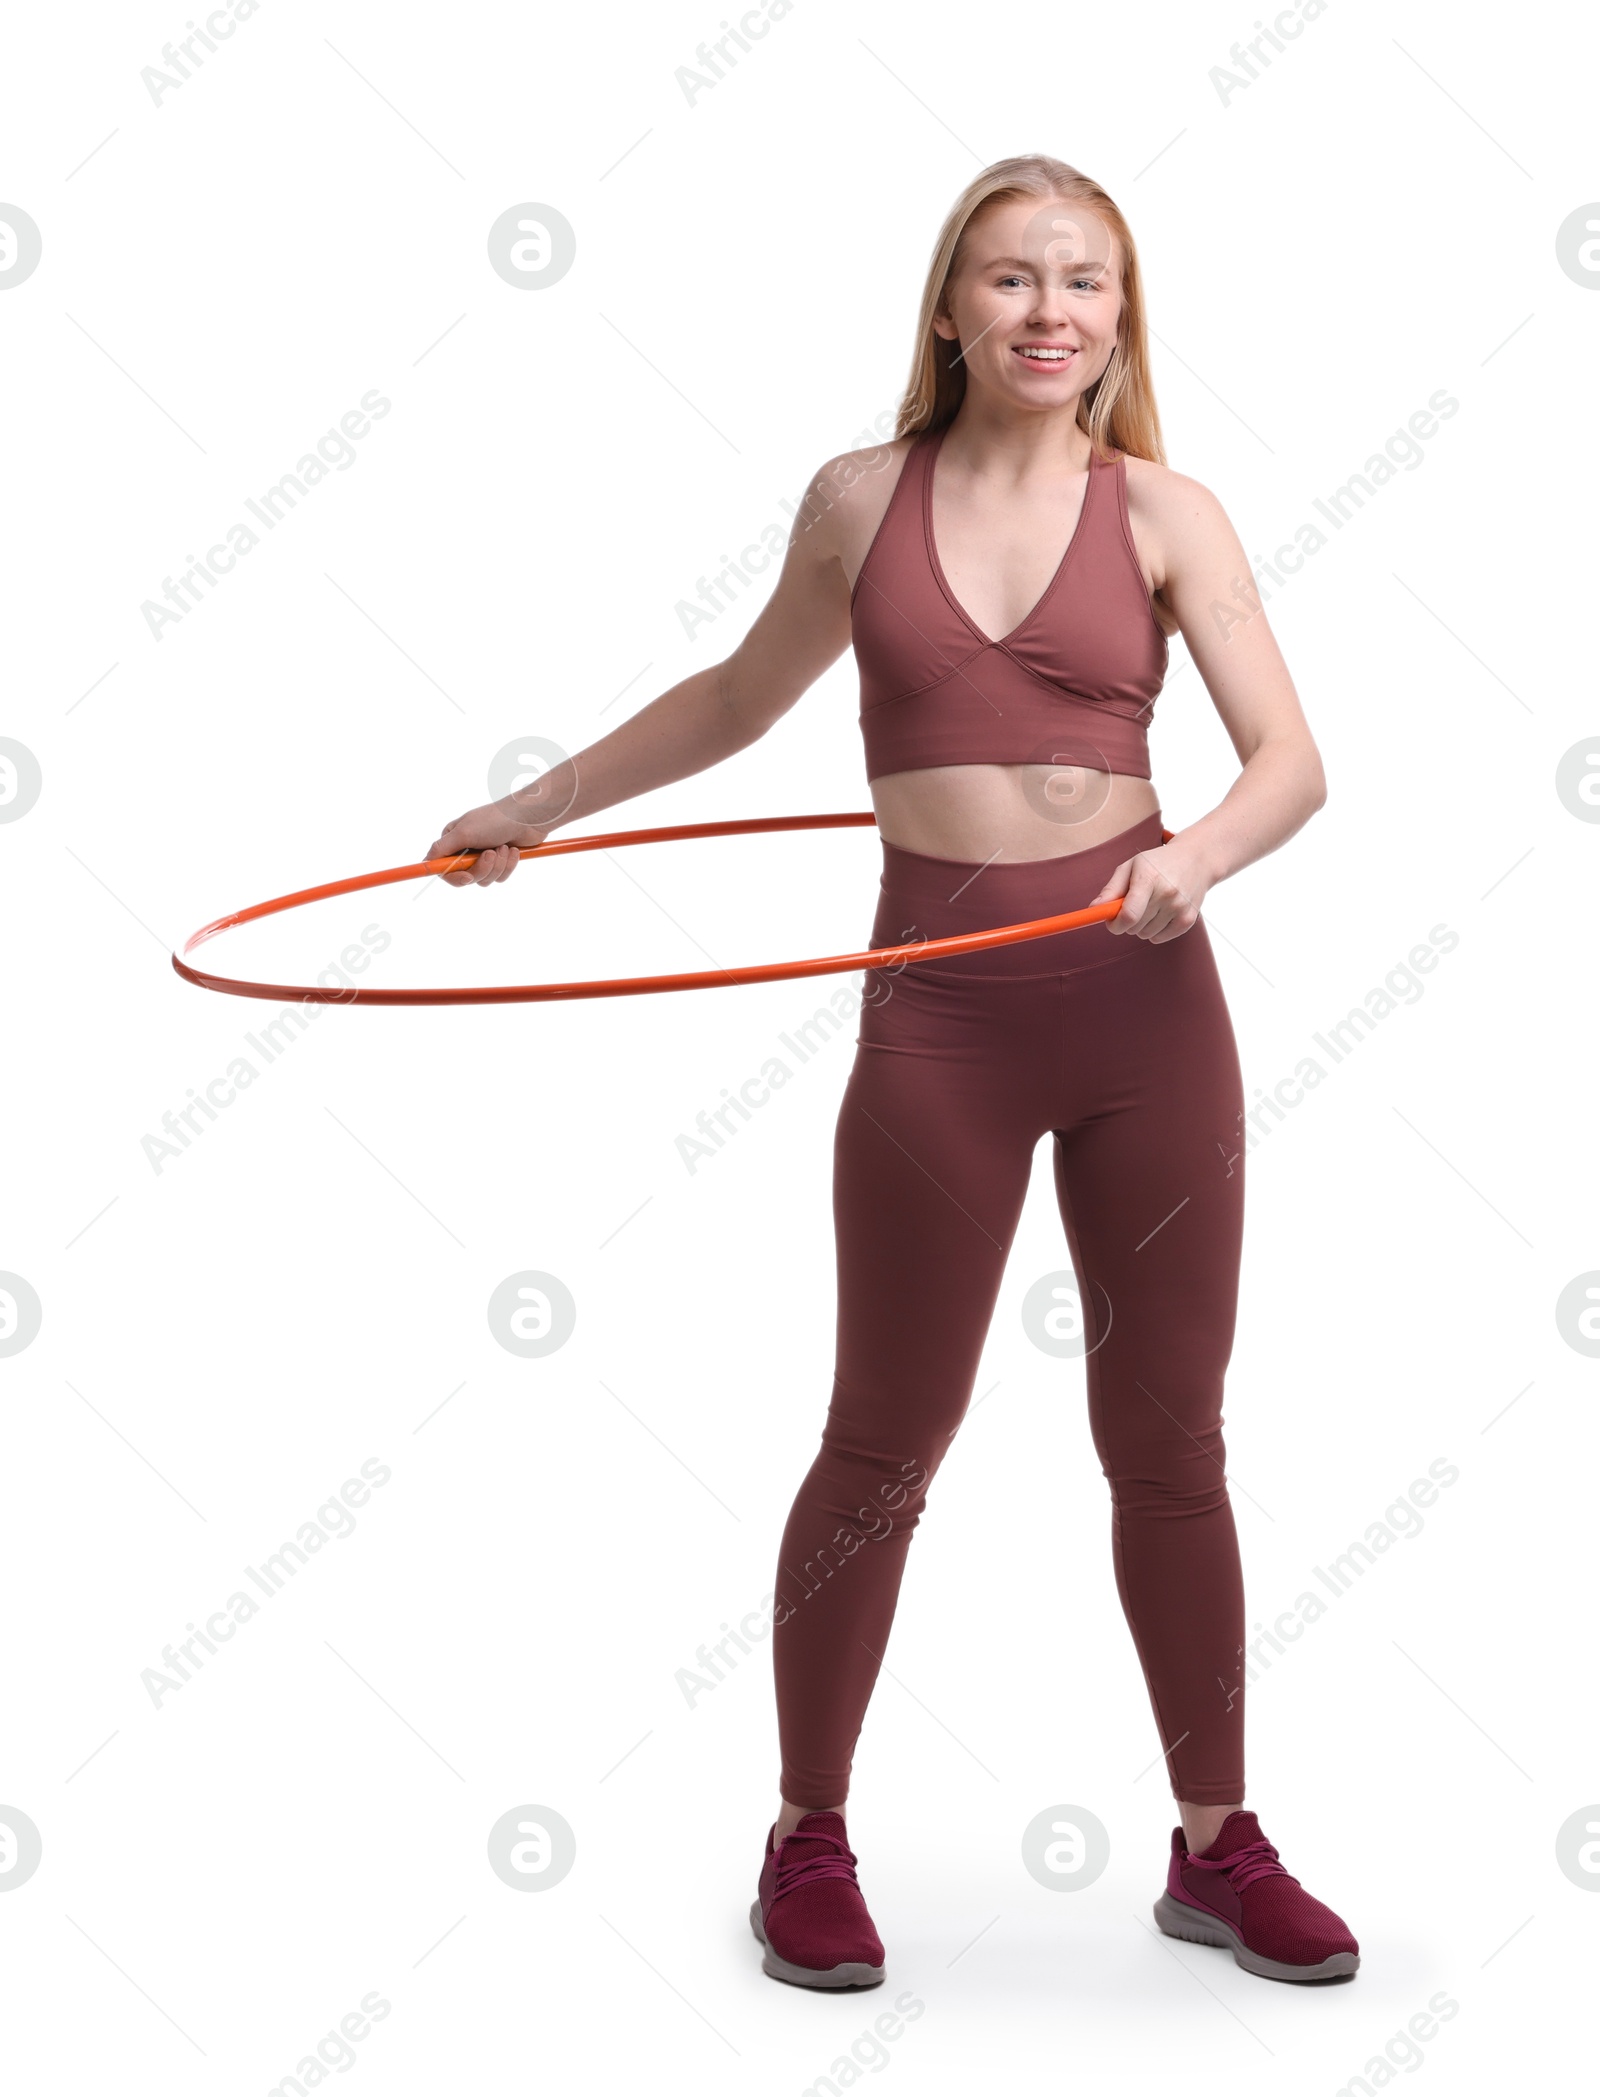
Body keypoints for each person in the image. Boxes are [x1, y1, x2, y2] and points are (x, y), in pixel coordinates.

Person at [426, 153, 1360, 1993]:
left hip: (1145, 1009)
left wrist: (1189, 862)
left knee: (1170, 1440)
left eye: (1083, 282)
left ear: (1121, 316)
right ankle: (808, 1835)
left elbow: (1292, 761)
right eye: (1011, 280)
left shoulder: (1170, 512)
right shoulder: (862, 499)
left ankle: (1217, 1841)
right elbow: (735, 697)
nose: (1048, 313)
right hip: (937, 1015)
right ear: (950, 307)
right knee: (883, 1435)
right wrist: (538, 807)